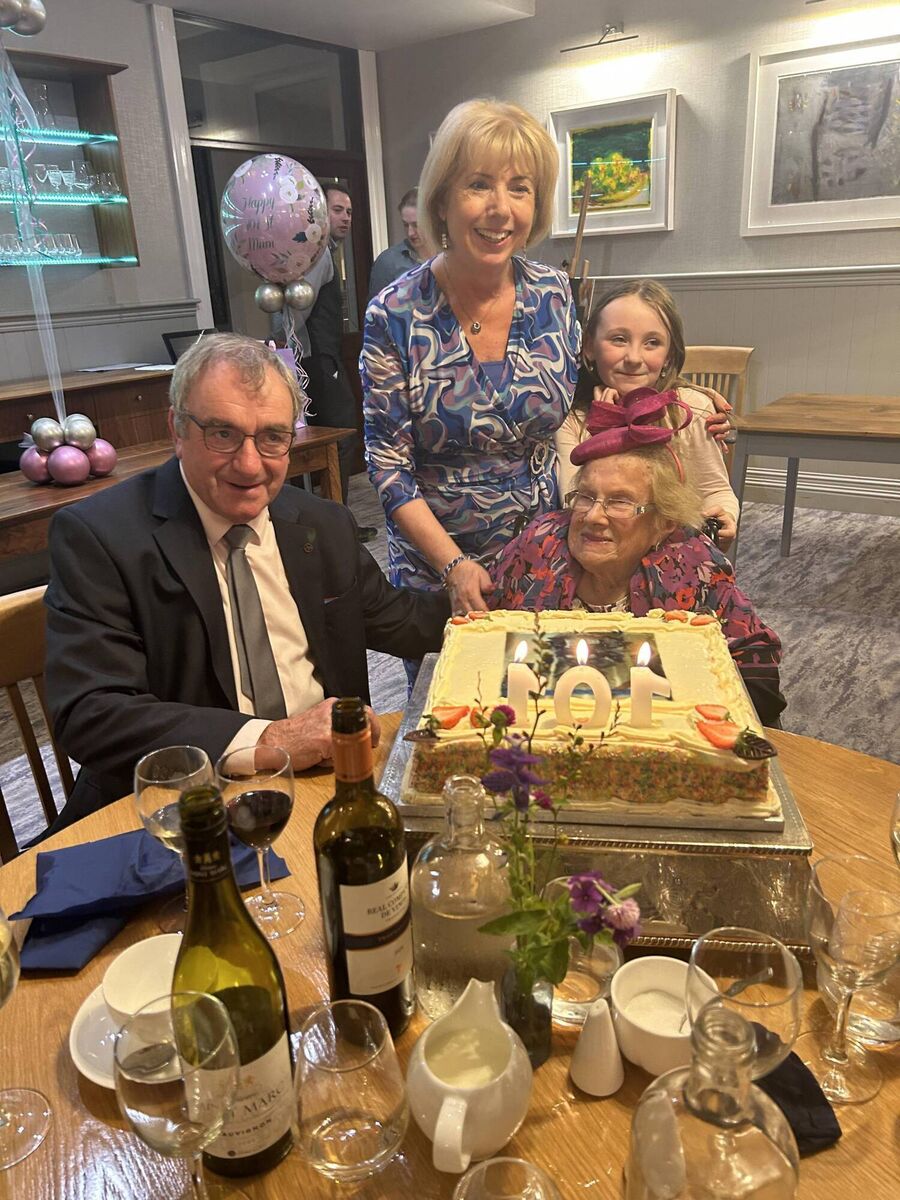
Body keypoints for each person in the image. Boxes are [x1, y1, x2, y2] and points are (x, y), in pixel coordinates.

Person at [44, 334, 449, 829]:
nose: (250, 464)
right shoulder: (101, 536)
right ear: (177, 429)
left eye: (273, 437)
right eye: (223, 434)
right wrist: (269, 741)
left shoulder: (322, 524)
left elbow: (401, 620)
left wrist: (518, 602)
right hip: (181, 808)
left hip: (327, 789)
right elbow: (92, 711)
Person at [362, 99, 579, 626]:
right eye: (479, 184)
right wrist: (453, 565)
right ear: (441, 200)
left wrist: (687, 404)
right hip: (438, 568)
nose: (500, 208)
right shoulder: (395, 313)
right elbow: (388, 466)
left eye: (520, 188)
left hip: (542, 554)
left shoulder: (553, 292)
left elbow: (585, 397)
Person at [490, 393, 785, 724]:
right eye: (585, 497)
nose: (593, 517)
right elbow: (480, 633)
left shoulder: (694, 564)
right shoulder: (539, 545)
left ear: (664, 522)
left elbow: (755, 667)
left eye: (620, 502)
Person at [555, 279, 740, 546]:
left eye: (652, 343)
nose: (633, 357)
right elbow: (574, 501)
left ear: (669, 355)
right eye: (618, 339)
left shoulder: (689, 409)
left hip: (676, 552)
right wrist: (606, 431)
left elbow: (716, 489)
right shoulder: (572, 419)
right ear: (589, 347)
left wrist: (725, 516)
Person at [302, 184, 363, 511]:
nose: (346, 218)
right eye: (338, 210)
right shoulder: (319, 255)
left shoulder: (327, 252)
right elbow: (299, 308)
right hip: (319, 360)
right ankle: (337, 520)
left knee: (340, 439)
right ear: (321, 214)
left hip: (327, 357)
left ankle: (338, 519)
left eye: (349, 211)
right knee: (341, 438)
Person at [368, 187, 425, 299]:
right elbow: (375, 308)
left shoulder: (448, 255)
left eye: (416, 225)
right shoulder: (387, 262)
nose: (410, 233)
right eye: (406, 225)